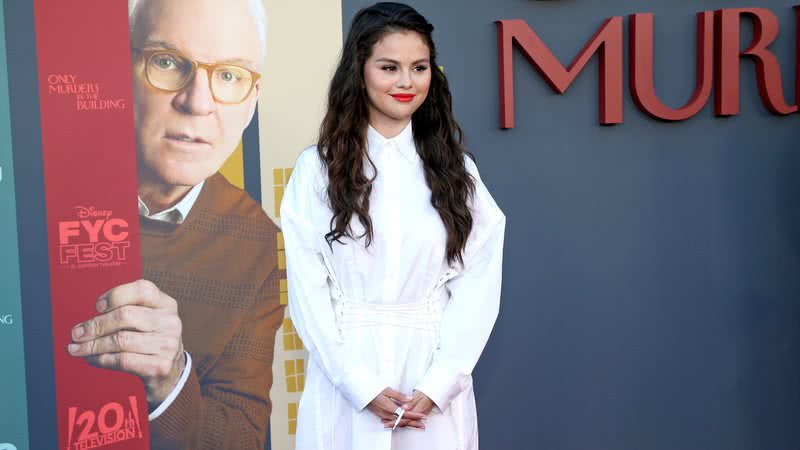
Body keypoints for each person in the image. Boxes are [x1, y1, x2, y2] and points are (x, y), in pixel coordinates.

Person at [280, 3, 506, 449]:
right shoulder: (316, 170)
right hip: (343, 376)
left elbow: (479, 283)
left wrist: (440, 384)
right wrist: (357, 384)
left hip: (430, 380)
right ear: (359, 72)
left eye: (418, 67)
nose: (406, 82)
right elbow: (308, 292)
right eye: (389, 67)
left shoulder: (456, 172)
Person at [65, 0, 284, 448]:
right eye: (166, 62)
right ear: (116, 69)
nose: (197, 103)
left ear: (251, 103)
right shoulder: (47, 189)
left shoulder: (258, 242)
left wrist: (170, 381)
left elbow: (241, 436)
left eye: (228, 76)